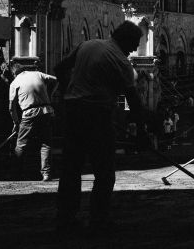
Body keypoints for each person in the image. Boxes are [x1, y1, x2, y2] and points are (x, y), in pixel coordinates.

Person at [54, 21, 145, 233]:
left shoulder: (87, 44)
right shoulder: (122, 62)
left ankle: (65, 218)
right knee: (104, 171)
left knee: (71, 169)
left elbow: (60, 68)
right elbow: (133, 101)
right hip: (98, 116)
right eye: (134, 43)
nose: (134, 49)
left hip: (74, 112)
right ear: (124, 39)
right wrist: (141, 132)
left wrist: (70, 92)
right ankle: (98, 219)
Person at [8, 61, 58, 181]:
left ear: (14, 73)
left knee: (21, 145)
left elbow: (11, 107)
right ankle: (46, 174)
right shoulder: (38, 74)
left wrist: (16, 123)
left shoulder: (15, 83)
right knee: (45, 143)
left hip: (29, 114)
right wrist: (50, 94)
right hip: (46, 111)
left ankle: (16, 174)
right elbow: (56, 79)